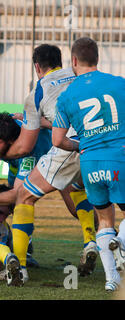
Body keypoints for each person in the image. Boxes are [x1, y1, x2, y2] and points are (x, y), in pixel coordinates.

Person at [0, 44, 98, 283]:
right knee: (79, 190)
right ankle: (91, 242)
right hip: (102, 141)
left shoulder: (37, 92)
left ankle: (20, 268)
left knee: (24, 195)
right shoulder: (80, 75)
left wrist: (4, 154)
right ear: (65, 61)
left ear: (37, 66)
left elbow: (25, 146)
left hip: (71, 144)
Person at [52, 37, 125, 291]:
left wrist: (79, 145)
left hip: (90, 163)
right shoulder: (119, 84)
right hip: (120, 157)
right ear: (98, 58)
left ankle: (111, 280)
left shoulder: (67, 96)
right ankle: (122, 242)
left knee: (104, 220)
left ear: (73, 61)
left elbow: (57, 140)